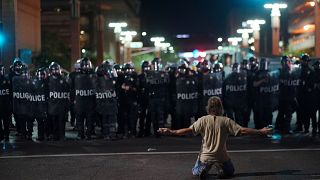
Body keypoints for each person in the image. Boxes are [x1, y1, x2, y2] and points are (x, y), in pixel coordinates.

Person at [158, 96, 271, 179]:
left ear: (208, 108)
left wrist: (170, 131)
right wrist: (261, 131)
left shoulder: (203, 120)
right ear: (221, 108)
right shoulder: (226, 121)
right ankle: (221, 170)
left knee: (195, 171)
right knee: (230, 172)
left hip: (205, 156)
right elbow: (243, 130)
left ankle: (203, 169)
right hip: (221, 156)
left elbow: (188, 131)